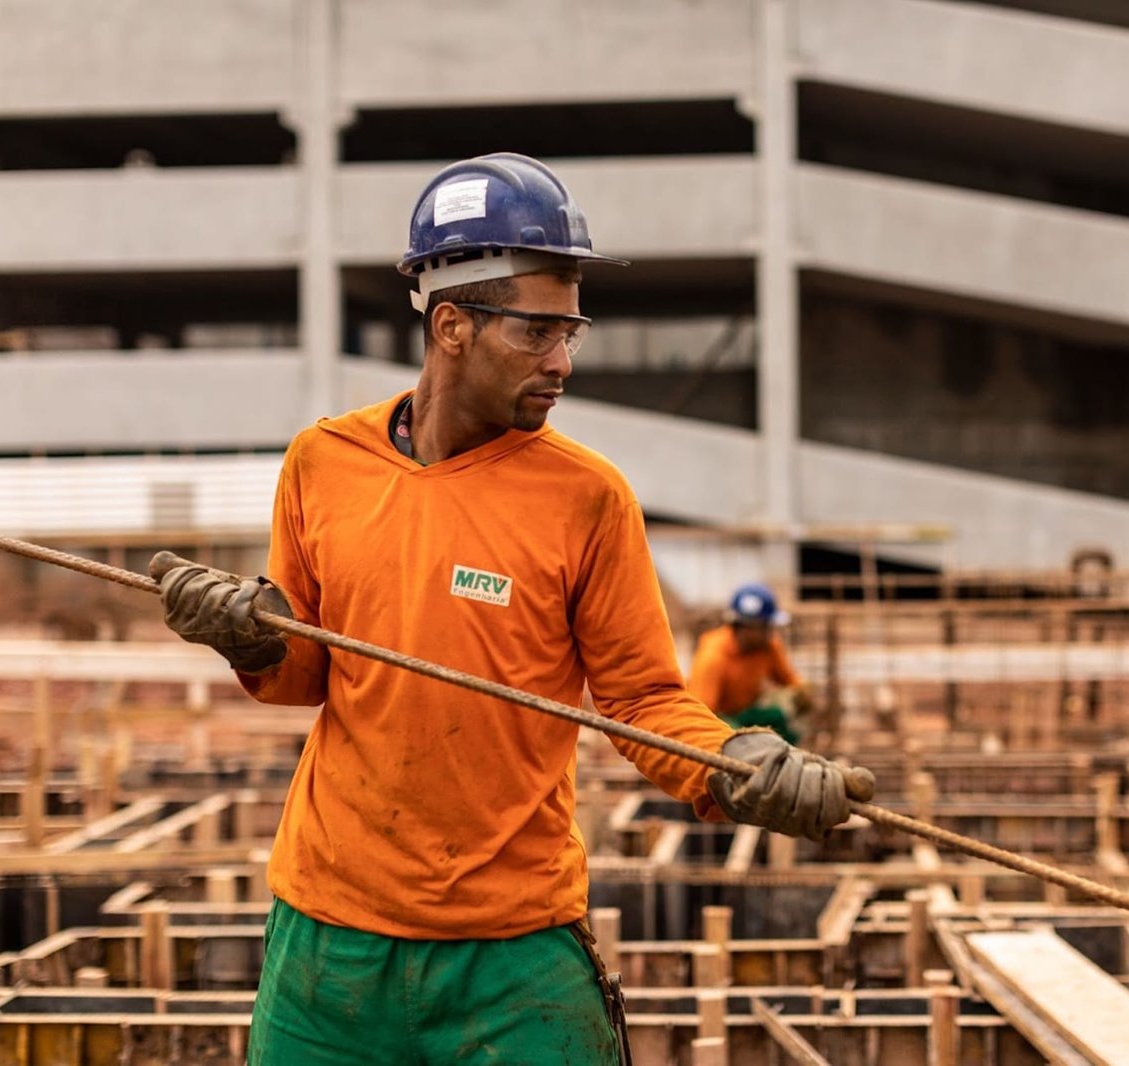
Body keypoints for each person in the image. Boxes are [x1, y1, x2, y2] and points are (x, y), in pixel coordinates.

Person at [146, 153, 874, 1065]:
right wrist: (245, 642)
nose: (564, 361)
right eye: (537, 333)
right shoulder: (322, 463)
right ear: (451, 324)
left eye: (572, 332)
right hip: (329, 946)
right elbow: (304, 676)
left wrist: (733, 762)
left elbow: (642, 700)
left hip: (513, 954)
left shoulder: (587, 498)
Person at [688, 582, 813, 743]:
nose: (770, 632)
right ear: (746, 628)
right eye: (765, 627)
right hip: (720, 720)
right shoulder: (713, 658)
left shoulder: (768, 647)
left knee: (777, 718)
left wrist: (801, 693)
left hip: (746, 712)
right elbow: (702, 716)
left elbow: (790, 681)